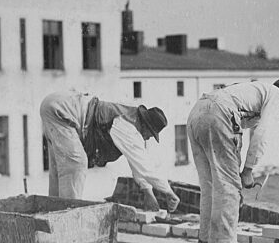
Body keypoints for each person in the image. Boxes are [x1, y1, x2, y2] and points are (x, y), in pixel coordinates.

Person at [187, 79, 279, 243]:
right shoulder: (278, 95)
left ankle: (207, 241)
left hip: (197, 112)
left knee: (209, 185)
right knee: (229, 186)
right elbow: (262, 133)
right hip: (220, 113)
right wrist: (248, 171)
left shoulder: (252, 90)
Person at [40, 90, 180, 212]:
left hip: (59, 105)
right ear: (145, 126)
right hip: (61, 111)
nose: (149, 138)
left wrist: (147, 190)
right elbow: (143, 165)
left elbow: (136, 161)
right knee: (75, 164)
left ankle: (52, 212)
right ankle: (67, 218)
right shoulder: (128, 127)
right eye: (151, 134)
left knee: (59, 169)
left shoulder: (131, 120)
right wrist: (168, 191)